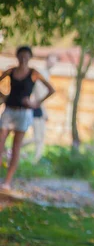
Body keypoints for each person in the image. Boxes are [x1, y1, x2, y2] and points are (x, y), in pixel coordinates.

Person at [0, 46, 55, 191]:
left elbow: (51, 89)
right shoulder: (11, 71)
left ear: (30, 57)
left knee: (16, 148)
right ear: (17, 56)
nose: (23, 58)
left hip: (24, 113)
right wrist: (3, 96)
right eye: (21, 55)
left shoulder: (34, 74)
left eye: (26, 56)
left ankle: (7, 182)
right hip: (9, 111)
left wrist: (36, 103)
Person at [22, 53, 58, 162]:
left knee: (41, 136)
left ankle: (36, 160)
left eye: (55, 61)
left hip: (40, 107)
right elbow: (39, 94)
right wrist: (41, 108)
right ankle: (17, 147)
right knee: (37, 137)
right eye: (51, 60)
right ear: (46, 60)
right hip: (36, 107)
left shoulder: (47, 74)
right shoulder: (41, 74)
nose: (53, 63)